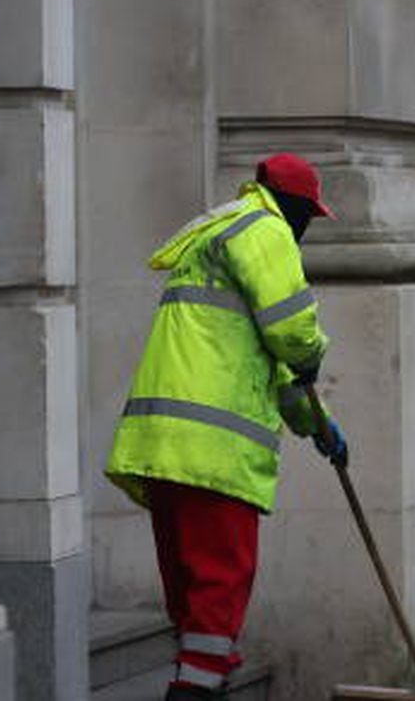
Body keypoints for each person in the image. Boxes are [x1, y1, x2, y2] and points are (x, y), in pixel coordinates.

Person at [105, 152, 348, 700]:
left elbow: (275, 368)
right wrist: (313, 353)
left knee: (194, 610)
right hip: (214, 456)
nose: (306, 230)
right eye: (309, 217)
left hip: (165, 450)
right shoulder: (265, 230)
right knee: (216, 605)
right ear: (298, 207)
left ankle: (204, 683)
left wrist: (318, 425)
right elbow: (292, 333)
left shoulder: (215, 239)